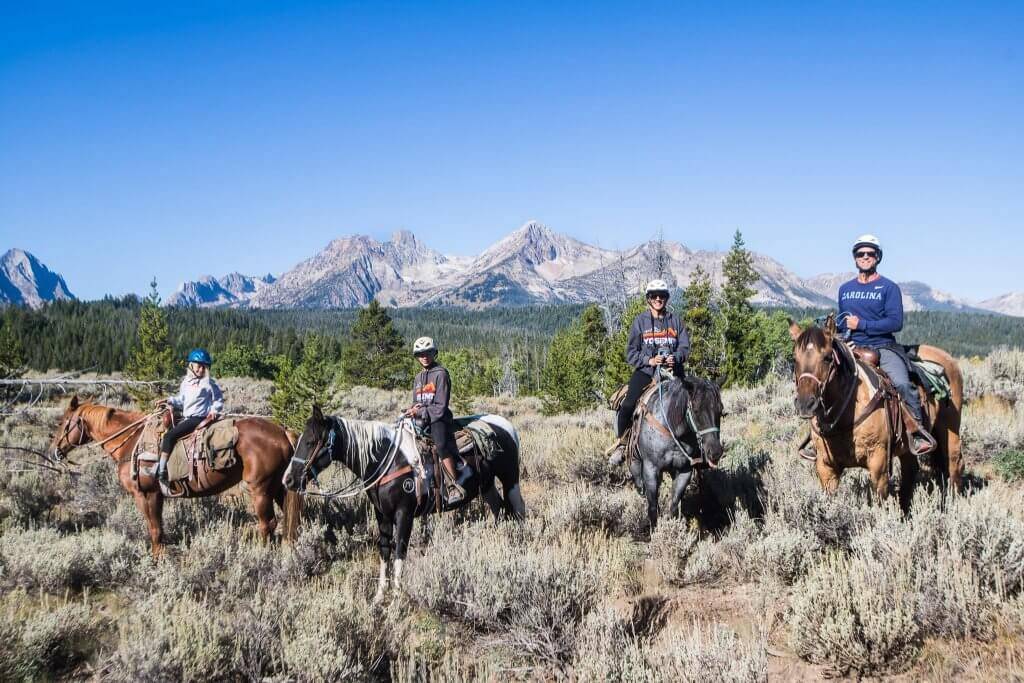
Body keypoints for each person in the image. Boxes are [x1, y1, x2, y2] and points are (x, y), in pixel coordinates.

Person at [837, 234, 935, 456]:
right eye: (860, 253)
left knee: (901, 384)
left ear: (878, 257)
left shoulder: (888, 287)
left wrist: (861, 323)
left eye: (870, 253)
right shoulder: (845, 289)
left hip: (882, 347)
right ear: (854, 258)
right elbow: (844, 321)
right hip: (852, 346)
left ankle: (917, 432)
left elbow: (895, 322)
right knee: (824, 380)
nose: (865, 257)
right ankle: (819, 437)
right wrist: (842, 335)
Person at [608, 279, 690, 466]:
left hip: (673, 372)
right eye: (654, 296)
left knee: (693, 404)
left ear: (667, 298)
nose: (658, 299)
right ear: (649, 299)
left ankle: (698, 445)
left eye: (662, 296)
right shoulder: (640, 322)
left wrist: (675, 357)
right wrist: (649, 360)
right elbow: (631, 352)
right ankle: (622, 443)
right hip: (646, 371)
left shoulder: (676, 321)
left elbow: (685, 347)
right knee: (628, 404)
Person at [404, 336, 467, 504]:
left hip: (438, 419)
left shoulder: (441, 374)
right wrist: (412, 410)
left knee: (440, 445)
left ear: (434, 353)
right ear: (416, 356)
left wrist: (422, 411)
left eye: (428, 353)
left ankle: (453, 486)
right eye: (420, 354)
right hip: (422, 419)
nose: (424, 356)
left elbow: (441, 405)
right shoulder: (418, 378)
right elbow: (416, 401)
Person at [155, 348, 224, 487]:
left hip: (198, 418)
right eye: (199, 366)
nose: (201, 369)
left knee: (169, 436)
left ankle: (161, 471)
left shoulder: (209, 383)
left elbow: (218, 399)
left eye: (205, 367)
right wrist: (168, 400)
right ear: (191, 365)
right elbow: (182, 400)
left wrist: (214, 410)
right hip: (187, 417)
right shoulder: (186, 382)